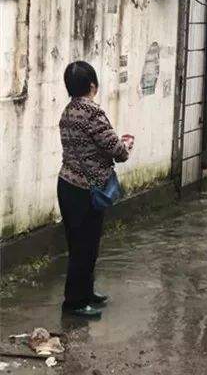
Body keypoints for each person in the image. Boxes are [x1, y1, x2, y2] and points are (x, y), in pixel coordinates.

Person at [58, 61, 134, 317]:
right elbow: (118, 152)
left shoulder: (67, 112)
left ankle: (86, 293)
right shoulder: (92, 113)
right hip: (86, 190)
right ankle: (75, 303)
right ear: (92, 85)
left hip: (67, 186)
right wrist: (126, 144)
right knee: (85, 247)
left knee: (79, 244)